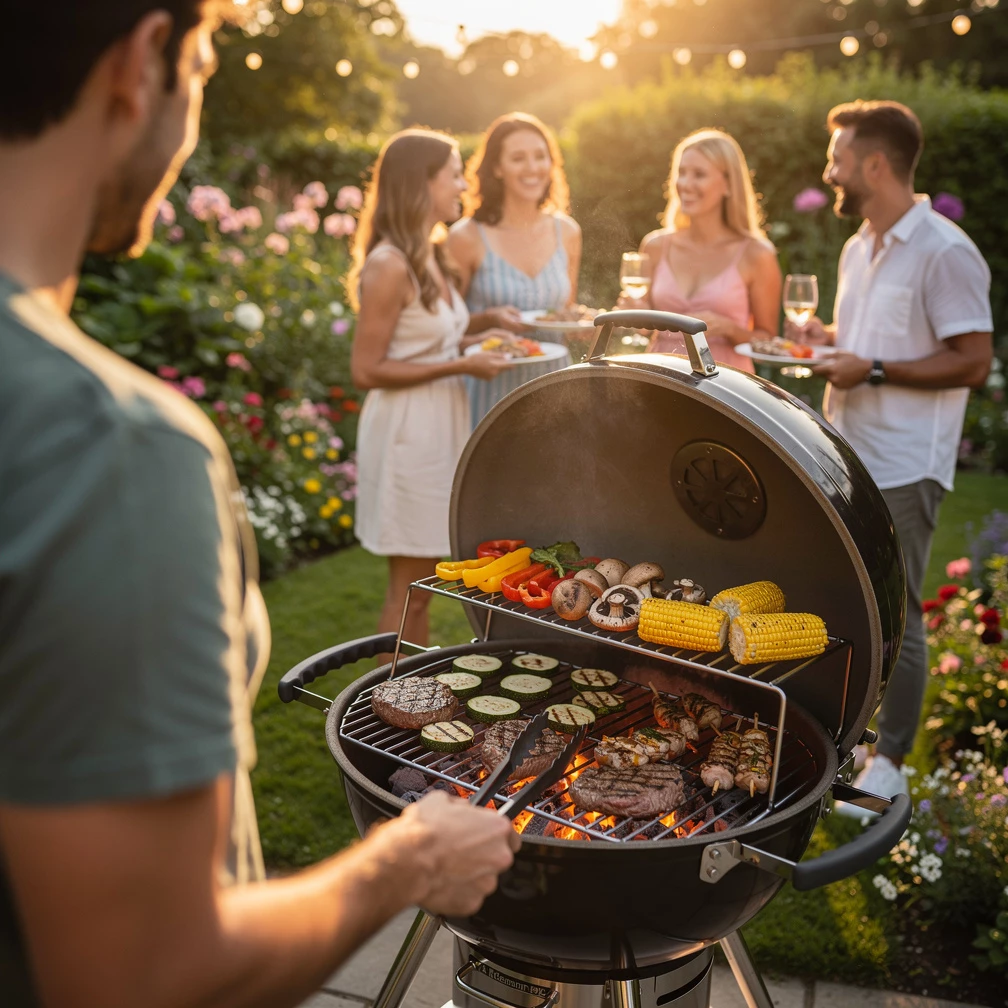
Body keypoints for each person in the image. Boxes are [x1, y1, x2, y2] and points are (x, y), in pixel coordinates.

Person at [0, 6, 519, 1007]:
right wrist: (408, 859)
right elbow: (146, 976)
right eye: (199, 64)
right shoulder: (108, 450)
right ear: (138, 62)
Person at [794, 100, 993, 811]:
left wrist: (872, 369)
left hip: (908, 464)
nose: (830, 172)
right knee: (844, 605)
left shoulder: (945, 250)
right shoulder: (859, 247)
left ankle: (893, 765)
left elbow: (973, 360)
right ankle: (847, 742)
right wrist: (823, 342)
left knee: (898, 615)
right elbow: (865, 344)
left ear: (874, 164)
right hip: (846, 453)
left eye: (838, 159)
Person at [349, 129, 511, 648]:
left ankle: (401, 697)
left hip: (439, 426)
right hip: (407, 434)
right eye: (455, 173)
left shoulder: (432, 255)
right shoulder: (388, 263)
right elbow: (367, 369)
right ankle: (388, 706)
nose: (463, 184)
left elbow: (429, 337)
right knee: (411, 588)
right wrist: (460, 365)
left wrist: (482, 327)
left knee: (425, 587)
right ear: (422, 183)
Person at [446, 112, 581, 426]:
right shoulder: (466, 237)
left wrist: (581, 325)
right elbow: (446, 326)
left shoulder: (568, 231)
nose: (532, 168)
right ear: (496, 167)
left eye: (540, 156)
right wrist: (489, 319)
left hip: (555, 388)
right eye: (518, 158)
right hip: (488, 392)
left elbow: (565, 312)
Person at [628, 128, 782, 372]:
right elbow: (643, 327)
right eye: (681, 173)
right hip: (660, 377)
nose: (685, 184)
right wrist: (635, 314)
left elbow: (769, 343)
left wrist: (730, 329)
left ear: (729, 184)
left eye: (699, 174)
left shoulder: (757, 254)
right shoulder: (655, 246)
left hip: (726, 386)